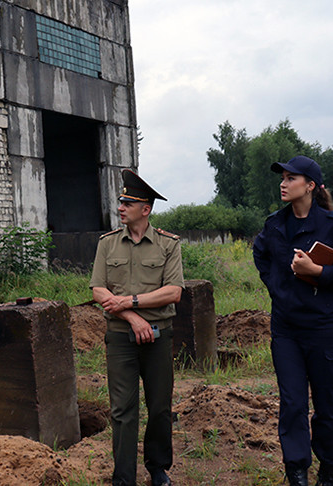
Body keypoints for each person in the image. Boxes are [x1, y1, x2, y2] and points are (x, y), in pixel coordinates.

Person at [253, 155, 333, 486]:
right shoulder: (274, 223)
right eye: (283, 178)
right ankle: (297, 470)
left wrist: (316, 272)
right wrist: (277, 286)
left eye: (291, 178)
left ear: (310, 186)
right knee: (292, 403)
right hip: (286, 329)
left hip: (323, 329)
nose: (283, 183)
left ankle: (328, 469)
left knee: (327, 403)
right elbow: (260, 254)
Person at [90, 169, 184, 486]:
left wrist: (128, 302)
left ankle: (158, 468)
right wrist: (132, 315)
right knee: (122, 410)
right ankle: (123, 477)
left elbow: (173, 292)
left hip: (158, 338)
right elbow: (99, 291)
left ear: (146, 209)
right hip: (120, 338)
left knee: (159, 407)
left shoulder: (168, 245)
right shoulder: (107, 244)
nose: (121, 207)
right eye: (121, 201)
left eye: (128, 203)